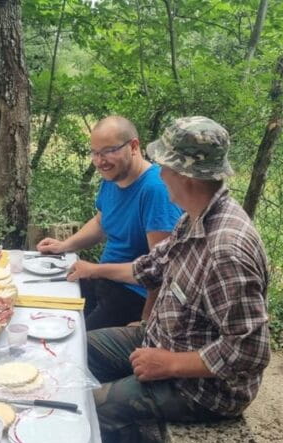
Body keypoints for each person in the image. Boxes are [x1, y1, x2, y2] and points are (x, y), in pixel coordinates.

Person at [83, 116, 271, 443]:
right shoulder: (192, 218)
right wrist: (92, 270)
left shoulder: (226, 250)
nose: (160, 174)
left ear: (184, 175)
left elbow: (250, 350)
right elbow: (149, 269)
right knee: (76, 350)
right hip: (160, 339)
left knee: (91, 408)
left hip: (202, 387)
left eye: (165, 166)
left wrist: (169, 363)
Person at [37, 116, 182, 330]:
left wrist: (146, 322)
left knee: (75, 340)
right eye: (95, 153)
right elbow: (101, 222)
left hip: (133, 295)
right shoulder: (111, 179)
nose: (99, 161)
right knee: (46, 309)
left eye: (108, 151)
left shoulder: (155, 190)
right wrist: (64, 246)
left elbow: (162, 271)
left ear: (133, 146)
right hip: (102, 281)